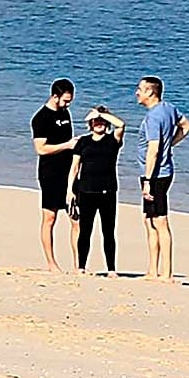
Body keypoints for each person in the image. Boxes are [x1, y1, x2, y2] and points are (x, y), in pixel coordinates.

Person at [133, 76, 189, 280]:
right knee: (149, 220)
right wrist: (171, 143)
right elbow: (186, 125)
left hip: (157, 175)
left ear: (151, 92)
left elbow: (154, 150)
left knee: (160, 221)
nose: (137, 92)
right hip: (159, 173)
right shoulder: (169, 108)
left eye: (140, 89)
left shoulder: (154, 117)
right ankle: (153, 270)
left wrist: (148, 181)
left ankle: (166, 273)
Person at [67, 102, 125, 274]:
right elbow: (74, 167)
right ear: (90, 124)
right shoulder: (83, 142)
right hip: (86, 191)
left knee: (108, 231)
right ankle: (81, 267)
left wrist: (102, 113)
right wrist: (70, 190)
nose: (99, 123)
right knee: (85, 231)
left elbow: (121, 125)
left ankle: (111, 269)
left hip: (108, 191)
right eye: (95, 121)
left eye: (102, 121)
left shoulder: (112, 140)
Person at [29, 79, 78, 270]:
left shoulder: (65, 113)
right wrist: (67, 145)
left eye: (70, 101)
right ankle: (51, 263)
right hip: (50, 173)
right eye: (65, 101)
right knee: (50, 217)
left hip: (69, 171)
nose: (67, 105)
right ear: (55, 96)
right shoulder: (41, 118)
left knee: (76, 217)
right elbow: (41, 149)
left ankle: (78, 264)